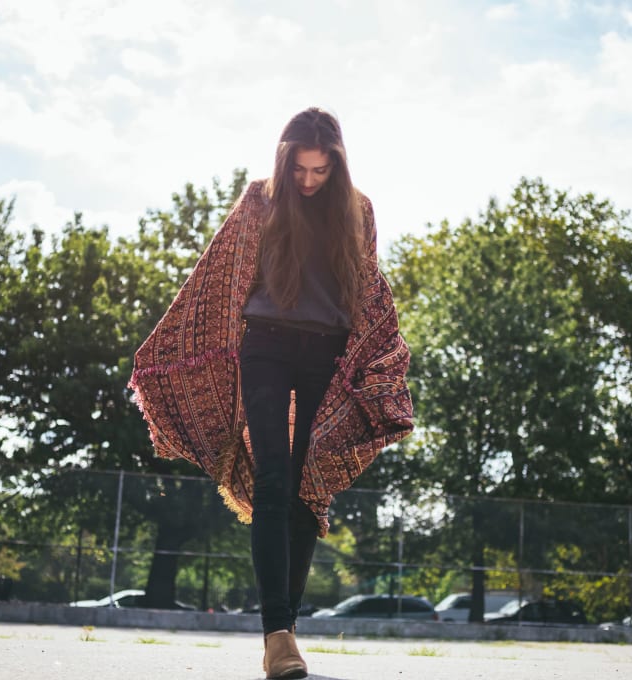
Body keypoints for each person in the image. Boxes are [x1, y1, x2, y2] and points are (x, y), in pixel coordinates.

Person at [129, 107, 414, 679]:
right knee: (273, 480)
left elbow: (365, 290)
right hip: (265, 346)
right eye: (301, 169)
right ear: (285, 160)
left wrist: (374, 365)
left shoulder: (359, 210)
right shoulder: (260, 200)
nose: (309, 181)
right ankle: (277, 635)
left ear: (336, 164)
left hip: (328, 356)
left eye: (320, 171)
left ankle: (286, 632)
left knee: (308, 488)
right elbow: (219, 275)